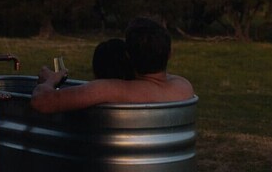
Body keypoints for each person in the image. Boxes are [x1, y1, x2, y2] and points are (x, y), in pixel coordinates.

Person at [30, 18, 194, 113]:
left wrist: (49, 81)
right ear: (170, 54)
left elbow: (41, 102)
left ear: (128, 56)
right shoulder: (183, 87)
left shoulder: (113, 89)